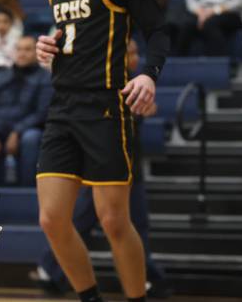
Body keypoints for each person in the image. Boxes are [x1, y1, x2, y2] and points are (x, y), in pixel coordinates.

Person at [36, 0, 169, 302]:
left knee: (113, 221)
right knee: (52, 220)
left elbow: (158, 31)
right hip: (63, 108)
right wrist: (48, 50)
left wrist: (148, 74)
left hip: (106, 106)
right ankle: (89, 297)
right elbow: (71, 40)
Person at [35, 40, 169, 298]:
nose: (132, 57)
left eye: (135, 53)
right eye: (127, 52)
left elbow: (145, 108)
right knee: (78, 220)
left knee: (133, 225)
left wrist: (146, 108)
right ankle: (52, 270)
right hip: (92, 167)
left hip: (127, 163)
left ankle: (150, 279)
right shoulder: (95, 79)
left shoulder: (138, 82)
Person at [0, 35, 50, 186]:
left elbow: (42, 113)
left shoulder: (45, 78)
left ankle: (28, 192)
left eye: (28, 49)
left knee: (31, 138)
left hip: (27, 131)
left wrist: (17, 132)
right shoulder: (0, 76)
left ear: (37, 53)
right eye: (19, 49)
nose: (22, 53)